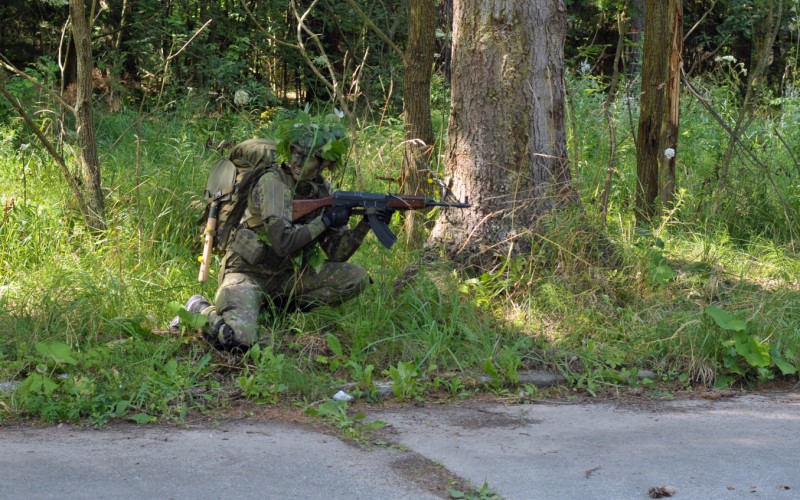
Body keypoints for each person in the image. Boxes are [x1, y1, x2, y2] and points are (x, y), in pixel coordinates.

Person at [174, 119, 391, 351]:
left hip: (289, 276)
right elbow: (282, 243)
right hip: (247, 274)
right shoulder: (273, 183)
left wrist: (366, 223)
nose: (297, 161)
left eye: (307, 156)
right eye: (295, 153)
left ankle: (274, 310)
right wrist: (325, 220)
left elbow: (337, 253)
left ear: (324, 162)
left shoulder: (323, 190)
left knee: (355, 278)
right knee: (238, 339)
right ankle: (199, 308)